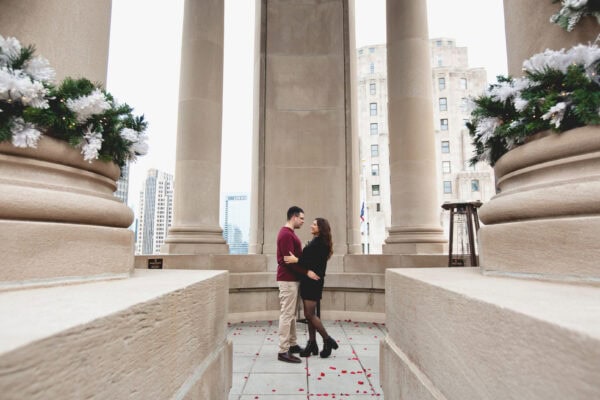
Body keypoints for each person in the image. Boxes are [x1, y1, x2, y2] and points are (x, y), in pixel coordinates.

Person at [284, 217, 339, 358]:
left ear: (321, 228)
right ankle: (312, 344)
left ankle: (327, 340)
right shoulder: (318, 241)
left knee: (309, 314)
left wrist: (297, 260)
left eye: (314, 224)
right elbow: (311, 260)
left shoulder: (321, 243)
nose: (311, 226)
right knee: (310, 315)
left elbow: (311, 261)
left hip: (313, 281)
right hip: (309, 280)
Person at [276, 206, 317, 363]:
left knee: (291, 314)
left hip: (292, 279)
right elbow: (288, 261)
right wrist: (306, 272)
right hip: (287, 280)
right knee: (287, 314)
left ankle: (292, 345)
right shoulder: (286, 235)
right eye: (301, 218)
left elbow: (295, 258)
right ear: (294, 217)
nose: (303, 221)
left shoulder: (290, 234)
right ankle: (283, 350)